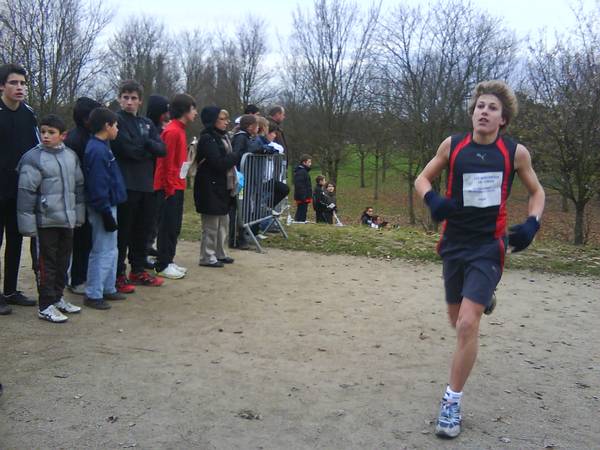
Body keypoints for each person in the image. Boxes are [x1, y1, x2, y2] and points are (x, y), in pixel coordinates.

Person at [414, 80, 545, 439]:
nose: (483, 112)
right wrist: (433, 200)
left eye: (492, 108)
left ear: (503, 119)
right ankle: (483, 296)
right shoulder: (453, 146)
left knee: (468, 325)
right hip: (454, 244)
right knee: (456, 320)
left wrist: (533, 223)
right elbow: (422, 178)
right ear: (472, 113)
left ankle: (451, 402)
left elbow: (537, 191)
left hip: (489, 246)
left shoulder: (515, 153)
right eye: (479, 106)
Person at [16, 114, 85, 323]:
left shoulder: (71, 156)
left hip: (67, 220)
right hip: (44, 222)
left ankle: (57, 298)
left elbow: (79, 188)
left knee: (63, 261)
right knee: (46, 264)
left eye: (51, 133)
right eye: (43, 132)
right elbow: (26, 192)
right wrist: (27, 225)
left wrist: (78, 215)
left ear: (62, 135)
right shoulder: (33, 158)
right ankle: (45, 305)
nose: (46, 136)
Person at [111, 80, 166, 292]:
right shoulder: (115, 120)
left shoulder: (146, 123)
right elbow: (126, 148)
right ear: (119, 98)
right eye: (125, 97)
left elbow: (161, 149)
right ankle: (117, 274)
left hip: (146, 185)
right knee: (123, 233)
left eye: (133, 98)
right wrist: (146, 146)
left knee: (142, 231)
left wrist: (144, 144)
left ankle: (138, 269)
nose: (129, 102)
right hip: (126, 184)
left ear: (140, 101)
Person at [0, 63, 39, 315]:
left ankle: (11, 291)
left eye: (23, 83)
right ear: (2, 86)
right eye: (14, 83)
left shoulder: (28, 114)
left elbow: (36, 150)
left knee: (16, 240)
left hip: (19, 190)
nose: (19, 88)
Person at [83, 107, 128, 310]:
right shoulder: (97, 150)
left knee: (111, 249)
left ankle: (108, 287)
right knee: (101, 250)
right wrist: (105, 212)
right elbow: (98, 184)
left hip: (110, 204)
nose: (117, 129)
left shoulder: (103, 146)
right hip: (103, 207)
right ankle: (93, 292)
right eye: (115, 125)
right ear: (107, 126)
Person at [153, 93, 197, 279]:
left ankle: (169, 260)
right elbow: (166, 163)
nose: (195, 113)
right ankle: (162, 263)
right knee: (167, 226)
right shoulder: (172, 131)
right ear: (185, 110)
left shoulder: (180, 130)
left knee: (174, 226)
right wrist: (169, 188)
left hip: (176, 185)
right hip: (168, 187)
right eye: (193, 108)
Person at [193, 107, 240, 268]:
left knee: (223, 222)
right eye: (222, 119)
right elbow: (218, 163)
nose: (227, 122)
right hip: (209, 186)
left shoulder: (223, 137)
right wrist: (235, 156)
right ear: (212, 120)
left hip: (222, 186)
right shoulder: (207, 138)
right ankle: (207, 255)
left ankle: (220, 252)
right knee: (211, 224)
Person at [64, 97, 102, 295]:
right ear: (86, 118)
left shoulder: (87, 136)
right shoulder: (76, 139)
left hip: (85, 195)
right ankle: (77, 279)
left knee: (85, 239)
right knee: (81, 239)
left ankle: (79, 275)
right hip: (78, 196)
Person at [145, 94, 170, 264]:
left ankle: (148, 244)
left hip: (156, 179)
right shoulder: (149, 128)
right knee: (149, 218)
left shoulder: (159, 129)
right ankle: (144, 249)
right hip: (150, 178)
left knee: (155, 217)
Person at [293, 154, 312, 222]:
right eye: (309, 162)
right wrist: (303, 197)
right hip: (302, 197)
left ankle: (300, 222)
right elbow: (299, 186)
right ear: (304, 162)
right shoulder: (301, 172)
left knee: (303, 211)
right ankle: (299, 223)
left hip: (304, 197)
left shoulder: (304, 171)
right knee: (301, 212)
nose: (310, 164)